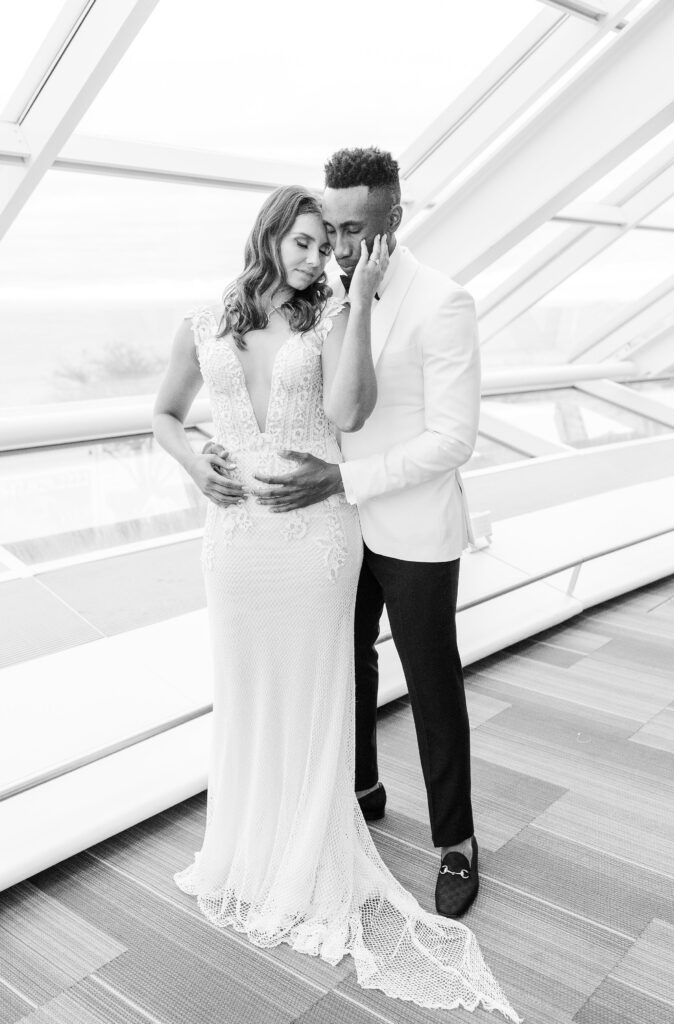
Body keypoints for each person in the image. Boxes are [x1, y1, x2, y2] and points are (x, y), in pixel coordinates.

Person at [153, 185, 519, 1020]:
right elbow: (164, 416)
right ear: (272, 233)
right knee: (256, 687)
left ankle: (447, 840)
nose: (322, 255)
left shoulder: (344, 313)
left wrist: (349, 307)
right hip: (235, 542)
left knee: (386, 678)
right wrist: (193, 458)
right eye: (310, 240)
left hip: (334, 527)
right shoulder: (202, 319)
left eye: (333, 241)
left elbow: (367, 415)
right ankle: (276, 830)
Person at [247, 148, 481, 921]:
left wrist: (342, 481)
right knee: (347, 668)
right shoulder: (326, 295)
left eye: (355, 228)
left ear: (395, 218)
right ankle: (362, 791)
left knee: (431, 683)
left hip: (413, 530)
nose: (340, 247)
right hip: (336, 528)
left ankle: (456, 843)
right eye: (331, 229)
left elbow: (451, 439)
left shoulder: (444, 301)